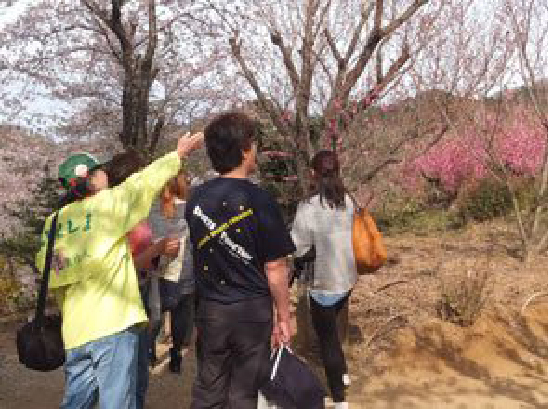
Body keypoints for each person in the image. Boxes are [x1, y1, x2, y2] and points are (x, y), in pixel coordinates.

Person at [36, 132, 203, 409]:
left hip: (76, 329)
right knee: (117, 402)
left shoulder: (54, 223)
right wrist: (178, 154)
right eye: (100, 171)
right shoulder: (106, 205)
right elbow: (141, 183)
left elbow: (50, 273)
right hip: (112, 323)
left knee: (76, 402)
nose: (106, 175)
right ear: (91, 179)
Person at [185, 112, 295, 409]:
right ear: (246, 149)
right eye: (254, 144)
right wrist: (284, 317)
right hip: (251, 312)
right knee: (243, 394)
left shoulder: (196, 199)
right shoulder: (260, 200)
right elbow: (275, 267)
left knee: (208, 391)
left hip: (211, 310)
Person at [290, 150, 358, 409]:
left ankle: (339, 398)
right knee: (334, 336)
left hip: (324, 284)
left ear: (313, 174)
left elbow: (297, 246)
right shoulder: (349, 200)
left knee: (327, 340)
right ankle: (343, 374)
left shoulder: (309, 207)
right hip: (347, 278)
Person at [148, 167, 195, 374]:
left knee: (155, 313)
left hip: (157, 269)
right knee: (181, 315)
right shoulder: (191, 208)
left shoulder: (151, 209)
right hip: (184, 268)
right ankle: (175, 354)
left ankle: (150, 351)